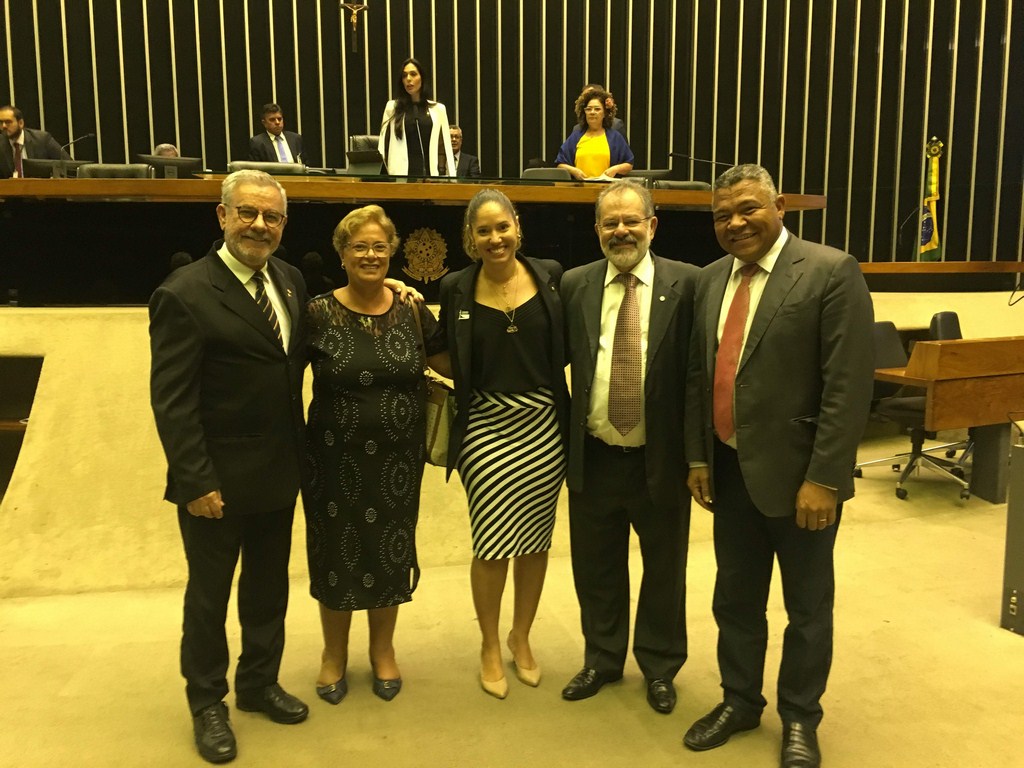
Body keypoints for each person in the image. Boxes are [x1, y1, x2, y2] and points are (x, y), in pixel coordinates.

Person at [682, 164, 874, 768]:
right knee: (735, 599)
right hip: (729, 471)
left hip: (801, 480)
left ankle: (799, 718)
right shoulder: (710, 279)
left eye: (748, 209)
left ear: (780, 207)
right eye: (722, 215)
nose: (735, 223)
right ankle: (740, 701)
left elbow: (847, 386)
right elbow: (700, 376)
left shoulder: (830, 271)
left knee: (807, 608)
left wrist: (825, 479)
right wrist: (698, 456)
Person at [149, 170, 309, 764]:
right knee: (209, 597)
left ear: (283, 224)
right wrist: (195, 480)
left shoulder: (289, 280)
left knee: (268, 588)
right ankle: (207, 702)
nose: (259, 225)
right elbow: (172, 400)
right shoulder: (185, 293)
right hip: (215, 482)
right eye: (247, 213)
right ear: (222, 216)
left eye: (271, 216)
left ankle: (259, 683)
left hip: (278, 472)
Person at [559, 179, 696, 715]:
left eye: (631, 221)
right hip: (594, 455)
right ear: (597, 230)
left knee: (665, 568)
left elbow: (697, 376)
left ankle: (660, 666)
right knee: (596, 567)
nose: (621, 231)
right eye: (610, 223)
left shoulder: (688, 283)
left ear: (652, 226)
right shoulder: (575, 284)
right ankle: (602, 658)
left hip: (660, 459)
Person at [302, 205, 446, 706]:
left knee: (390, 550)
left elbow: (450, 359)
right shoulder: (317, 312)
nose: (370, 255)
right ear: (342, 255)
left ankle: (383, 651)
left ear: (392, 253)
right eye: (359, 246)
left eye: (379, 246)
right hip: (331, 461)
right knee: (335, 554)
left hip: (397, 464)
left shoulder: (411, 308)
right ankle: (333, 654)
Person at [434, 188, 569, 699]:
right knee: (492, 543)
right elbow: (437, 348)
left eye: (502, 227)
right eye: (484, 231)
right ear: (471, 238)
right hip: (486, 425)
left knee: (534, 541)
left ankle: (521, 636)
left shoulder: (551, 275)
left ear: (518, 227)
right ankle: (490, 644)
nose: (495, 238)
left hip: (544, 424)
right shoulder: (455, 287)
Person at [378, 57, 456, 177]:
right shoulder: (392, 108)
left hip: (429, 177)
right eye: (404, 76)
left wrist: (452, 180)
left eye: (413, 74)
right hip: (399, 177)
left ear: (422, 78)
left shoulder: (438, 110)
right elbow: (382, 147)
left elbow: (446, 149)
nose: (408, 79)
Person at [556, 86, 633, 181]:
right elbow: (560, 164)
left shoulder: (615, 137)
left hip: (608, 188)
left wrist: (615, 169)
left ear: (604, 113)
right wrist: (574, 171)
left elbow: (629, 164)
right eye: (588, 109)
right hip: (580, 187)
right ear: (584, 113)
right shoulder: (576, 136)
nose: (592, 112)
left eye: (597, 109)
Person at [0, 105, 68, 178]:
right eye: (1, 122)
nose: (3, 126)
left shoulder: (42, 139)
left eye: (8, 122)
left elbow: (69, 165)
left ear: (20, 123)